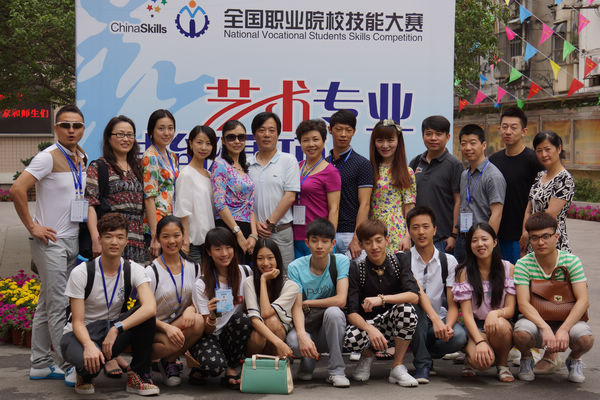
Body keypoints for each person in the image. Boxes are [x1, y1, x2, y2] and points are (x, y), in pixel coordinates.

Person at [10, 104, 88, 386]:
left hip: (72, 239)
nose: (71, 130)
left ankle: (40, 364)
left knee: (46, 304)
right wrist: (32, 226)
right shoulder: (47, 157)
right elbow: (17, 189)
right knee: (58, 306)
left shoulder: (81, 156)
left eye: (76, 125)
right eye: (65, 125)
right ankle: (68, 365)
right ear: (56, 128)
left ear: (83, 129)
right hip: (50, 242)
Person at [60, 213, 159, 395]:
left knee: (146, 316)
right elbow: (77, 322)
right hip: (80, 333)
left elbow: (150, 307)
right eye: (108, 236)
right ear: (99, 239)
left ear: (126, 241)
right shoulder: (81, 273)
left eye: (120, 237)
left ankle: (137, 375)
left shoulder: (134, 269)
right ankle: (83, 374)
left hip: (111, 331)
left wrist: (117, 328)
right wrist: (89, 345)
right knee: (89, 365)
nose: (114, 242)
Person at [513, 212, 593, 383]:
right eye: (534, 238)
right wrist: (544, 327)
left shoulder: (571, 261)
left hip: (566, 319)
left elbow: (583, 301)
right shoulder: (523, 264)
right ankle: (526, 358)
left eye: (546, 236)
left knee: (585, 338)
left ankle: (574, 359)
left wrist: (564, 329)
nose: (540, 242)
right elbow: (523, 304)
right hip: (535, 321)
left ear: (556, 237)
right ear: (529, 240)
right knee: (521, 333)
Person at [345, 219, 420, 387]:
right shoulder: (356, 268)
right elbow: (352, 312)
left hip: (392, 324)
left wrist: (382, 299)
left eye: (378, 240)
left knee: (407, 311)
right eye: (368, 242)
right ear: (361, 245)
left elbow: (414, 296)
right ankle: (366, 356)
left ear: (387, 240)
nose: (374, 247)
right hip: (368, 326)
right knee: (350, 336)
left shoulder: (400, 261)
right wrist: (369, 329)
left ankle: (397, 366)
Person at [405, 206, 466, 384]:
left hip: (438, 320)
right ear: (409, 231)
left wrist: (447, 326)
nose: (421, 232)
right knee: (415, 309)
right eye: (415, 227)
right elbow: (415, 296)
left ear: (434, 229)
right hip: (412, 321)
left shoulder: (448, 261)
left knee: (459, 337)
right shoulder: (403, 259)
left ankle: (424, 353)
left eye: (426, 226)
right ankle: (423, 364)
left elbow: (452, 304)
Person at [287, 218, 350, 388]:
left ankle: (337, 371)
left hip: (330, 327)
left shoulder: (341, 261)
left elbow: (341, 300)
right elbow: (296, 306)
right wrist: (301, 336)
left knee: (334, 312)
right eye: (314, 241)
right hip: (307, 324)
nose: (319, 246)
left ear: (333, 244)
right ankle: (308, 362)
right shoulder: (295, 267)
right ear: (307, 243)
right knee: (293, 341)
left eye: (324, 241)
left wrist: (309, 302)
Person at [190, 227, 253, 389]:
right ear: (209, 252)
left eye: (228, 247)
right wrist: (212, 316)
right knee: (214, 367)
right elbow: (208, 330)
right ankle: (201, 364)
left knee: (243, 320)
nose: (224, 253)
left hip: (233, 335)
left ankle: (231, 367)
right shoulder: (201, 284)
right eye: (218, 249)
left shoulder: (246, 272)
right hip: (210, 336)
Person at [452, 222, 516, 382]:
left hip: (498, 325)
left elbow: (510, 309)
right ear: (469, 245)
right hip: (474, 327)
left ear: (494, 242)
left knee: (500, 325)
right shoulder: (464, 272)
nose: (480, 244)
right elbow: (466, 314)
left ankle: (502, 364)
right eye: (474, 240)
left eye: (484, 239)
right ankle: (471, 354)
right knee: (482, 363)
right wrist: (480, 341)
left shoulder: (508, 268)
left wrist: (495, 314)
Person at [148, 216, 204, 387]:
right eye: (166, 236)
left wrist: (191, 308)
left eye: (176, 235)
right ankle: (142, 362)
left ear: (183, 237)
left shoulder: (194, 267)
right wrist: (167, 328)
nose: (172, 241)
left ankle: (168, 361)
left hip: (179, 324)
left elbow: (199, 299)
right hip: (153, 328)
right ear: (158, 239)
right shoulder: (151, 271)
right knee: (168, 342)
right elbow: (142, 311)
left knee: (198, 321)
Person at [86, 115, 148, 265]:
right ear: (109, 138)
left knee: (136, 277)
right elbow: (90, 205)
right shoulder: (98, 166)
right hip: (112, 238)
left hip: (137, 239)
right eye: (120, 134)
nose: (126, 139)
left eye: (130, 135)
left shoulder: (138, 167)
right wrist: (96, 239)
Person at [489, 107, 543, 263]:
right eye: (504, 127)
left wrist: (528, 230)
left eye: (513, 127)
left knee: (518, 275)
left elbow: (540, 199)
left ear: (524, 131)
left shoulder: (534, 161)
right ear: (499, 129)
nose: (508, 131)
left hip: (521, 236)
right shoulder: (493, 160)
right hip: (496, 232)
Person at [248, 112, 300, 271]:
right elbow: (244, 200)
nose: (267, 134)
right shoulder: (246, 164)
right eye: (262, 130)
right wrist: (255, 225)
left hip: (280, 232)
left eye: (271, 130)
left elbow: (290, 196)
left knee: (285, 277)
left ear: (278, 134)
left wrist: (269, 224)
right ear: (254, 135)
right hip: (254, 233)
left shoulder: (288, 160)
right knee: (257, 277)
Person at [409, 115, 462, 253]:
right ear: (423, 136)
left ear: (447, 137)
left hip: (442, 239)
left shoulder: (454, 165)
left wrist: (453, 235)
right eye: (428, 134)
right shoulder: (415, 162)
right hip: (416, 238)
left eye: (438, 134)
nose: (433, 138)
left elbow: (458, 201)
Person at [455, 124, 506, 263]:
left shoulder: (493, 176)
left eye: (473, 143)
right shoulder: (465, 174)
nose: (468, 148)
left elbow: (497, 213)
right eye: (463, 144)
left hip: (480, 243)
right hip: (462, 239)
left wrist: (486, 242)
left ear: (483, 145)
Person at [327, 109, 374, 259]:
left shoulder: (362, 164)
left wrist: (356, 237)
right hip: (328, 233)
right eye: (338, 129)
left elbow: (365, 204)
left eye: (348, 130)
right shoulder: (325, 164)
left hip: (350, 234)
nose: (343, 134)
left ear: (354, 131)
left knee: (355, 274)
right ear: (330, 130)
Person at [211, 120, 257, 265]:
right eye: (231, 137)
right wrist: (238, 233)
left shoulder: (244, 167)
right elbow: (219, 203)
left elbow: (250, 206)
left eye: (241, 137)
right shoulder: (220, 165)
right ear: (223, 141)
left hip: (247, 231)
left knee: (247, 274)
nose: (237, 141)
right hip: (228, 229)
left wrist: (254, 235)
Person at [293, 119, 341, 258]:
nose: (311, 144)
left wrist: (329, 240)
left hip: (319, 239)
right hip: (295, 236)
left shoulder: (330, 171)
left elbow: (334, 209)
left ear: (324, 141)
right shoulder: (297, 167)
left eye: (315, 139)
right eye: (305, 140)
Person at [245, 238, 299, 357]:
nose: (265, 263)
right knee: (258, 336)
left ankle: (276, 364)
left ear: (277, 259)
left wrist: (263, 280)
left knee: (272, 321)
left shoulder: (291, 286)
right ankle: (255, 365)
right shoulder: (249, 282)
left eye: (270, 258)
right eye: (260, 258)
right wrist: (263, 280)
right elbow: (256, 319)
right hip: (259, 335)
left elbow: (266, 313)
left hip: (279, 330)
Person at [521, 131, 574, 253]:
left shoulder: (565, 179)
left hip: (551, 241)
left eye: (547, 149)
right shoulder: (540, 175)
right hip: (533, 239)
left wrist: (528, 234)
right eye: (539, 151)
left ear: (559, 148)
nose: (543, 154)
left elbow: (549, 215)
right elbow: (529, 209)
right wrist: (524, 233)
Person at [369, 119, 416, 252]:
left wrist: (407, 236)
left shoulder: (406, 171)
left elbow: (410, 208)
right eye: (380, 140)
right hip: (372, 229)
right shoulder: (368, 169)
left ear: (398, 141)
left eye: (390, 140)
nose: (385, 145)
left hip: (396, 231)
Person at [174, 125, 217, 263]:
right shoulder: (186, 174)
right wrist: (185, 240)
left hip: (210, 244)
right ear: (190, 143)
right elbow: (182, 210)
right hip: (193, 245)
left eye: (208, 143)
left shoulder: (210, 175)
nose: (204, 147)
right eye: (199, 142)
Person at [142, 109, 178, 258]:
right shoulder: (150, 157)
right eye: (161, 128)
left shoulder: (172, 156)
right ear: (152, 131)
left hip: (169, 222)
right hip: (156, 225)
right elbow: (149, 198)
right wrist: (155, 236)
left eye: (170, 128)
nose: (166, 133)